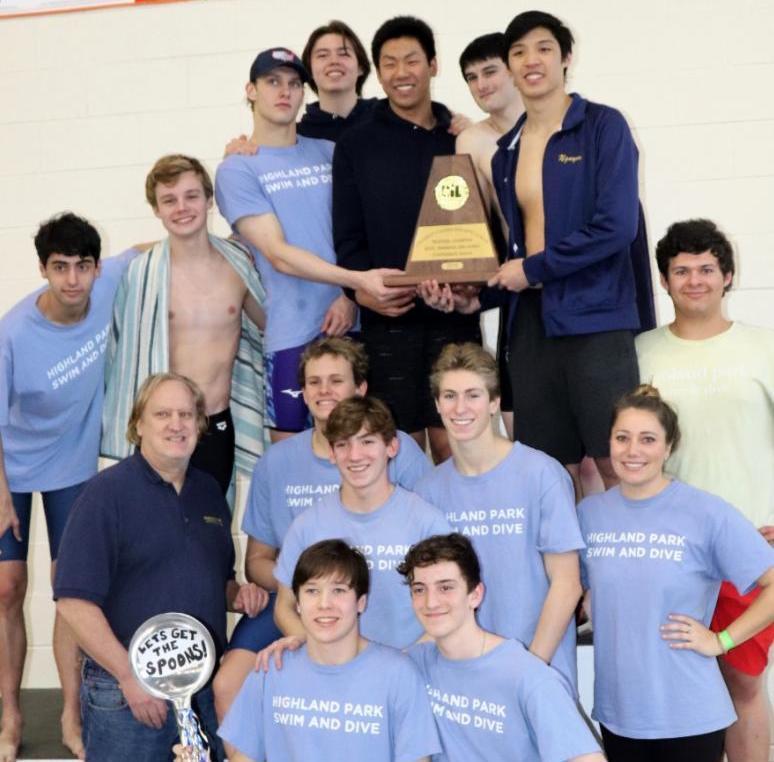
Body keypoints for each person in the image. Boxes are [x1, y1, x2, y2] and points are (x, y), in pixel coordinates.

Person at [428, 11, 652, 493]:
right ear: (510, 66)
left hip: (596, 320)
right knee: (548, 473)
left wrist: (533, 269)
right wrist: (477, 298)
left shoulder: (603, 126)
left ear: (566, 57)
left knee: (619, 463)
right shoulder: (506, 151)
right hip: (531, 325)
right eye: (519, 52)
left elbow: (617, 227)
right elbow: (517, 250)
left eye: (544, 48)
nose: (531, 60)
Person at [212, 337, 431, 725]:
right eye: (314, 382)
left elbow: (431, 547)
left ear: (360, 388)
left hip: (379, 596)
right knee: (228, 684)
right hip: (295, 601)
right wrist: (309, 590)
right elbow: (257, 561)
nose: (324, 391)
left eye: (336, 380)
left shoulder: (400, 455)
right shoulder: (276, 463)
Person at [54, 373, 269, 762]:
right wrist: (128, 676)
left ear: (199, 425)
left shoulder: (209, 493)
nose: (176, 424)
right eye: (162, 414)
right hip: (126, 694)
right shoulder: (105, 494)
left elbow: (219, 581)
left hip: (200, 690)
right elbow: (73, 602)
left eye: (186, 415)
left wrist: (239, 595)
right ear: (138, 424)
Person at [636, 218, 774, 762]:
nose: (694, 280)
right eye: (681, 271)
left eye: (706, 269)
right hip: (670, 548)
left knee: (743, 683)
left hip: (750, 543)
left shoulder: (763, 346)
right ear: (664, 282)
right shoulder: (640, 352)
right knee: (684, 681)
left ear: (728, 276)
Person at [0, 212, 137, 761]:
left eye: (83, 266)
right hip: (9, 468)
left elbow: (160, 243)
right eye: (60, 267)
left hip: (70, 467)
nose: (73, 279)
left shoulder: (110, 283)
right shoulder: (13, 332)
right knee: (7, 587)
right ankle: (10, 714)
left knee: (71, 590)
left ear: (97, 267)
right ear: (43, 269)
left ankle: (71, 713)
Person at [577, 385, 774, 762]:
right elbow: (581, 589)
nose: (633, 450)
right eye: (622, 438)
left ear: (668, 448)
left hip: (689, 715)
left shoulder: (705, 512)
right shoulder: (590, 514)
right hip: (619, 714)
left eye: (648, 439)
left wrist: (722, 641)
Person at [215, 47, 399, 442]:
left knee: (360, 447)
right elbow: (278, 254)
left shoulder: (332, 152)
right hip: (290, 335)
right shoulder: (237, 168)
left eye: (294, 83)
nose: (285, 91)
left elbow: (362, 233)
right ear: (251, 90)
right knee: (292, 458)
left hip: (351, 325)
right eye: (272, 82)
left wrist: (350, 296)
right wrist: (355, 281)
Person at [333, 16, 481, 463]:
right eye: (390, 63)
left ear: (433, 65)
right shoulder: (355, 144)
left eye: (412, 60)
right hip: (388, 318)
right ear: (377, 73)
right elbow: (347, 238)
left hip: (453, 316)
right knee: (400, 450)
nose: (401, 73)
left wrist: (470, 290)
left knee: (457, 445)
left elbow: (484, 232)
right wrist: (359, 292)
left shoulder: (460, 139)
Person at [414, 343, 584, 689]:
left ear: (494, 402)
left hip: (537, 673)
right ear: (437, 404)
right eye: (449, 396)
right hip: (464, 679)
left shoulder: (542, 474)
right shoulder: (427, 491)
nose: (460, 408)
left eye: (473, 395)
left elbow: (567, 584)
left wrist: (529, 671)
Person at [101, 155, 267, 494]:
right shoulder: (141, 274)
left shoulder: (238, 265)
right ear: (156, 209)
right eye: (169, 200)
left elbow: (270, 328)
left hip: (214, 422)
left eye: (191, 196)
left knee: (213, 519)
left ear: (209, 201)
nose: (181, 208)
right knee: (154, 521)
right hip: (163, 427)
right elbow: (122, 355)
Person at [211, 540, 440, 761]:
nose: (324, 604)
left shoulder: (399, 675)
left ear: (361, 602)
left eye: (338, 590)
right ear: (297, 603)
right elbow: (244, 757)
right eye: (312, 591)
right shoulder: (270, 669)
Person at [399, 533, 604, 762]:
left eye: (445, 588)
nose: (431, 602)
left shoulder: (529, 677)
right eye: (419, 589)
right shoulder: (414, 665)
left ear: (475, 595)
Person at [271, 396, 450, 652]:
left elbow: (451, 608)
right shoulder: (307, 526)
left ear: (392, 447)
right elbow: (284, 607)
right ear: (332, 453)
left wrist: (397, 665)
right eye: (343, 444)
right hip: (336, 668)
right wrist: (324, 653)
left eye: (367, 441)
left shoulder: (428, 524)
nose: (355, 455)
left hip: (412, 666)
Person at [455, 32, 523, 440]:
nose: (481, 84)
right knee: (522, 428)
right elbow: (475, 233)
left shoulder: (567, 127)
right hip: (519, 290)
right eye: (471, 77)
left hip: (571, 283)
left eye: (490, 71)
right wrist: (469, 286)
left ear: (515, 70)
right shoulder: (472, 140)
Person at [298, 20, 378, 141]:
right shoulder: (296, 136)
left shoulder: (387, 118)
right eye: (322, 55)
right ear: (309, 70)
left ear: (361, 67)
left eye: (343, 54)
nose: (334, 61)